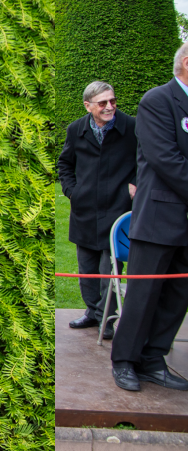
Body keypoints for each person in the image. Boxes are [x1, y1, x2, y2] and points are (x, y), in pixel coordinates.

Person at [110, 43, 188, 392]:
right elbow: (166, 159)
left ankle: (154, 359)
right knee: (143, 295)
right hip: (159, 217)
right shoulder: (158, 100)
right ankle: (125, 360)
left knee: (177, 296)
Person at [57, 80, 137, 339]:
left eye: (112, 101)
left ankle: (106, 319)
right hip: (85, 211)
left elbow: (145, 159)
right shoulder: (76, 129)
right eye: (103, 103)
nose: (109, 107)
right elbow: (65, 164)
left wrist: (135, 184)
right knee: (87, 270)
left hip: (117, 209)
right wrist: (72, 192)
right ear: (88, 105)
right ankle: (92, 313)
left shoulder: (132, 127)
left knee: (109, 271)